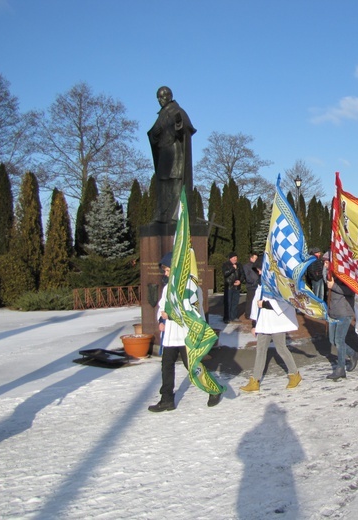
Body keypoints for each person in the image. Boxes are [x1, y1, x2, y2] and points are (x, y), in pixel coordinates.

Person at [148, 252, 203, 412]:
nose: (165, 274)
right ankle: (166, 399)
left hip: (184, 334)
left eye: (167, 270)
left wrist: (170, 315)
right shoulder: (168, 288)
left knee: (192, 366)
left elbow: (191, 310)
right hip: (171, 335)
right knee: (166, 365)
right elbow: (162, 306)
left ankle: (213, 389)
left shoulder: (190, 287)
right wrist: (161, 320)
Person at [240, 260, 302, 392]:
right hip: (263, 323)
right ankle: (255, 381)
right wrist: (254, 324)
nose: (259, 272)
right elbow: (256, 305)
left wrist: (267, 305)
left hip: (276, 323)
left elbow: (286, 302)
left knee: (281, 348)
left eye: (260, 269)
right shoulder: (261, 284)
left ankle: (294, 374)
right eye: (258, 270)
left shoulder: (279, 283)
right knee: (260, 350)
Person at [148, 86, 196, 223]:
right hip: (164, 154)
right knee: (163, 185)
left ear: (169, 96)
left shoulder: (178, 111)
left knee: (175, 183)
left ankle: (175, 216)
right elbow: (153, 136)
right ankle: (162, 215)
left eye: (162, 97)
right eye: (158, 97)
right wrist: (155, 135)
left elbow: (186, 130)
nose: (160, 100)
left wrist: (179, 126)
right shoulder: (161, 115)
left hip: (176, 154)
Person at [326, 274, 358, 381]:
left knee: (339, 340)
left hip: (344, 313)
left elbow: (351, 291)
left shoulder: (347, 273)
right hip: (333, 313)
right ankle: (353, 354)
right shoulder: (331, 274)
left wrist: (334, 286)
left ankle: (340, 369)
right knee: (333, 340)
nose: (326, 264)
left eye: (327, 262)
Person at [222, 252, 246, 323]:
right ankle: (227, 318)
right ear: (230, 258)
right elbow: (225, 273)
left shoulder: (239, 265)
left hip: (236, 287)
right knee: (228, 302)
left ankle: (234, 317)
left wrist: (240, 281)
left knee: (235, 302)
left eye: (236, 257)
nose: (235, 258)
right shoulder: (226, 265)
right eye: (234, 257)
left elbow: (242, 274)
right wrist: (233, 268)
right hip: (229, 286)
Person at [243, 253, 260, 321]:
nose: (256, 260)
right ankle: (248, 314)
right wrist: (252, 282)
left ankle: (255, 313)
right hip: (251, 286)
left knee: (257, 300)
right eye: (255, 258)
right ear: (251, 258)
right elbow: (247, 276)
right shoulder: (247, 266)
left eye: (257, 258)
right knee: (250, 300)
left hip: (258, 286)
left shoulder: (258, 266)